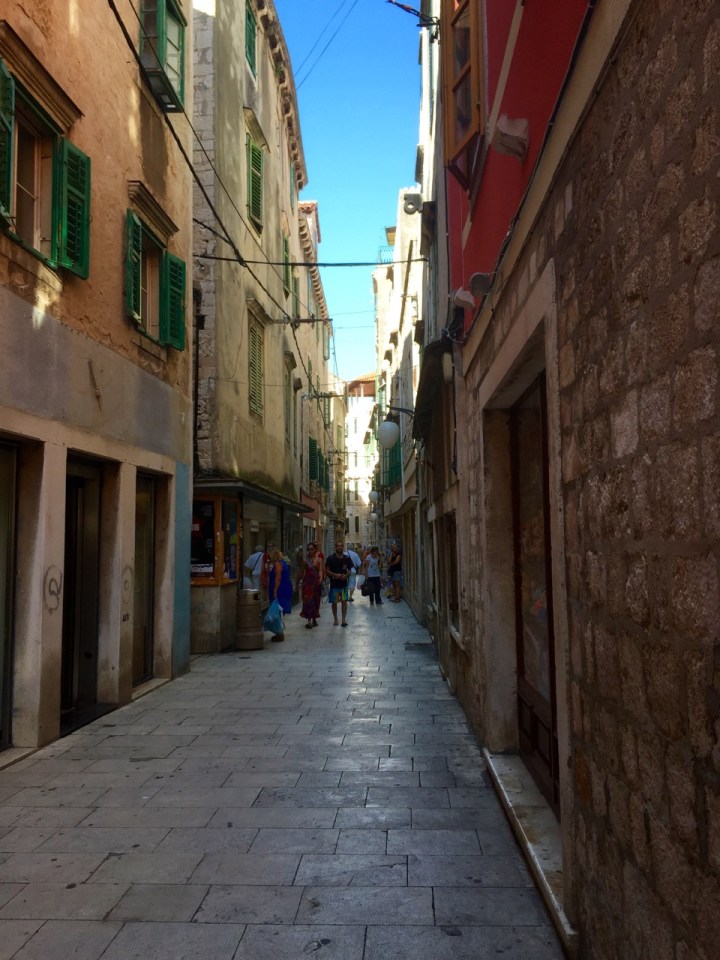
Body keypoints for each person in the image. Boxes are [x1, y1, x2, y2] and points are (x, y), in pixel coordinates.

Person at [324, 540, 353, 627]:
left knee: (344, 602)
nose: (339, 547)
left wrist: (346, 576)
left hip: (344, 584)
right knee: (335, 602)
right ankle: (335, 619)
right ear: (335, 547)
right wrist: (334, 575)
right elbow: (327, 570)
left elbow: (350, 570)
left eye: (341, 546)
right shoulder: (331, 558)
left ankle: (343, 619)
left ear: (342, 547)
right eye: (338, 546)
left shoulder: (347, 558)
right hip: (334, 585)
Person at [267, 547, 293, 641]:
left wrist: (275, 590)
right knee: (279, 611)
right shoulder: (284, 563)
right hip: (285, 587)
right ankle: (279, 632)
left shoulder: (277, 564)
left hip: (280, 589)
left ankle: (279, 633)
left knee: (277, 611)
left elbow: (278, 577)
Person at [297, 542, 322, 628]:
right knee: (308, 601)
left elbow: (321, 570)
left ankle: (314, 619)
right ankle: (309, 621)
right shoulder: (305, 560)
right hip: (307, 583)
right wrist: (299, 582)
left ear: (315, 550)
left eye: (312, 549)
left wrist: (321, 579)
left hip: (316, 583)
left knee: (316, 601)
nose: (310, 551)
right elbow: (302, 572)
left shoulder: (318, 560)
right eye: (308, 549)